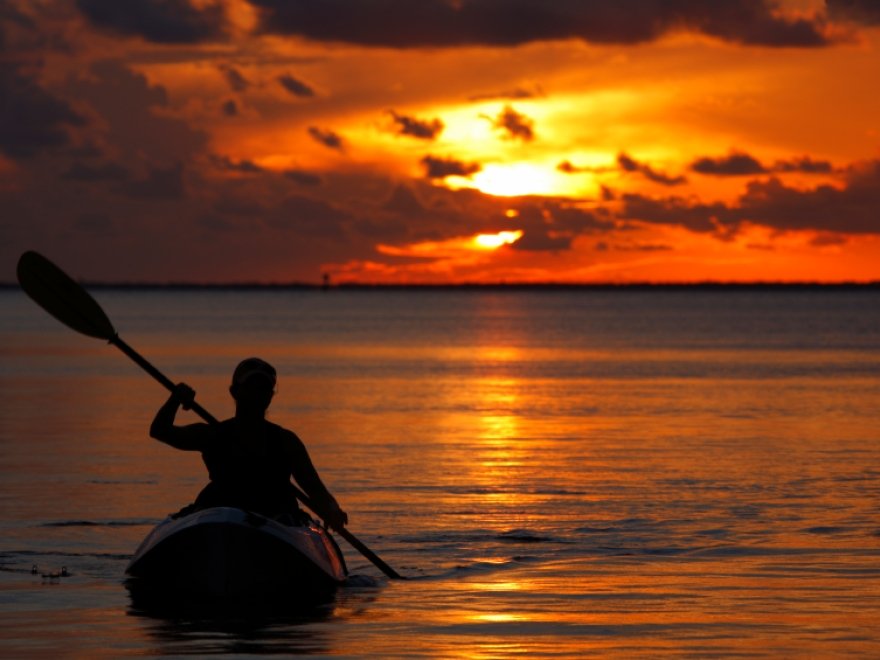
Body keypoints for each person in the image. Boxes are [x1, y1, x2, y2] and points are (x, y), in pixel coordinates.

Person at [150, 357, 348, 528]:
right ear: (234, 391)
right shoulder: (213, 435)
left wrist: (332, 509)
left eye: (264, 388)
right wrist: (175, 399)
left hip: (276, 518)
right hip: (220, 512)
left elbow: (314, 487)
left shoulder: (286, 441)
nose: (258, 393)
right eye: (251, 387)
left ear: (271, 395)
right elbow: (160, 431)